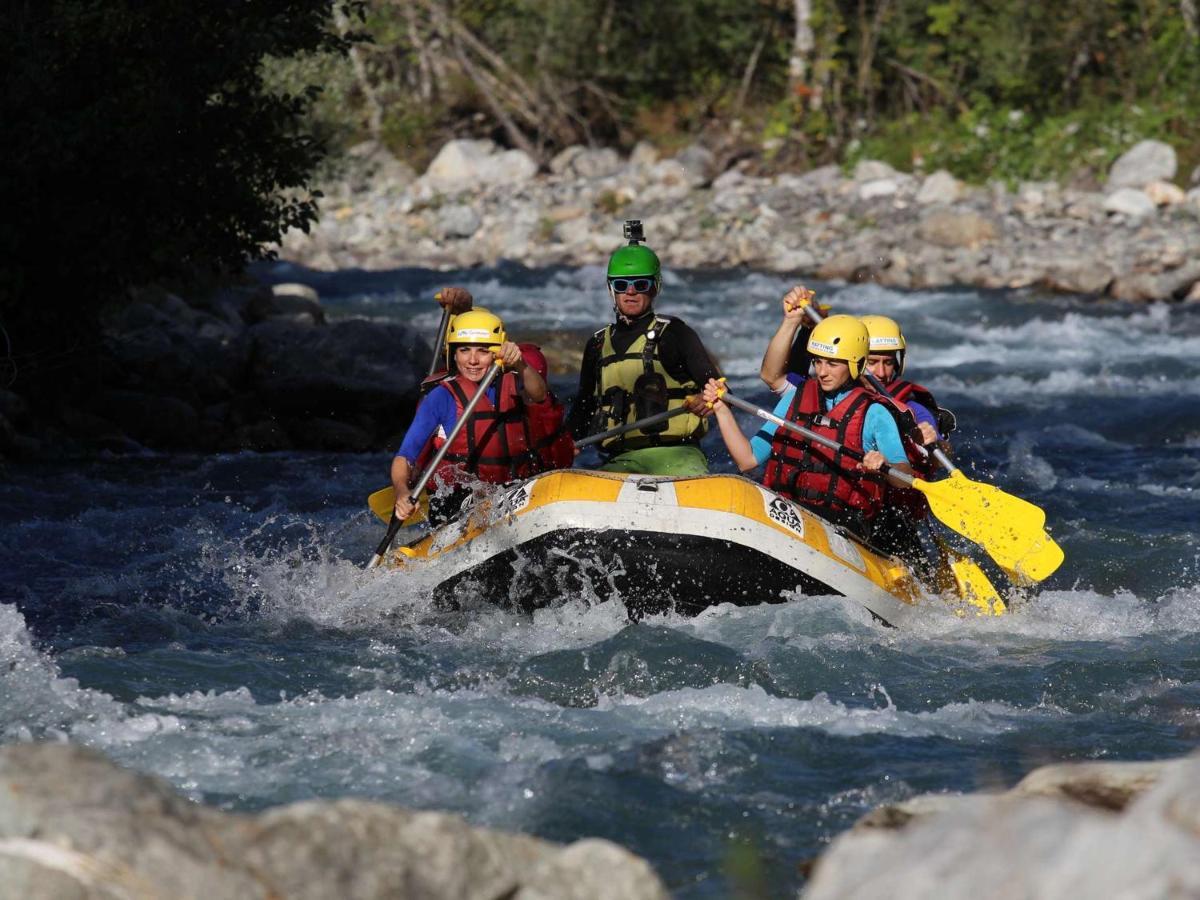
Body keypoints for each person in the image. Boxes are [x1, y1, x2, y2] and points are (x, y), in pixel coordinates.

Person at [702, 315, 914, 542]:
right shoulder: (796, 397)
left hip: (843, 527)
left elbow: (905, 477)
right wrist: (721, 410)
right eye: (818, 361)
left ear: (856, 364)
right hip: (786, 512)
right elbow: (748, 459)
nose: (822, 371)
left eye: (832, 363)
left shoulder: (875, 413)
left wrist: (884, 465)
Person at [565, 221, 720, 476]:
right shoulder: (597, 344)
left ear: (655, 286)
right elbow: (583, 408)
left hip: (679, 456)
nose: (630, 292)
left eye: (641, 284)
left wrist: (708, 398)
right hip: (622, 459)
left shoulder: (675, 333)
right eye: (621, 285)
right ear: (610, 289)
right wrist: (567, 440)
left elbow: (718, 386)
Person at [391, 309, 547, 524]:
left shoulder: (513, 382)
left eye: (482, 351)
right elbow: (405, 456)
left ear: (496, 353)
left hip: (511, 490)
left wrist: (520, 364)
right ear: (453, 354)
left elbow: (539, 394)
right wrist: (401, 492)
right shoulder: (440, 396)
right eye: (464, 350)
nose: (472, 360)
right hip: (456, 499)